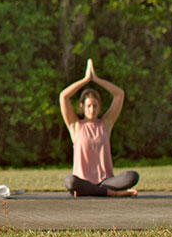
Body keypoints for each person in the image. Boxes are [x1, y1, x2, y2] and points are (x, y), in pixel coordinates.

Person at [59, 59, 139, 197]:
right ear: (81, 107)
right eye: (88, 106)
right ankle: (113, 194)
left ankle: (100, 191)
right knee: (70, 181)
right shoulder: (75, 126)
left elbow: (119, 94)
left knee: (132, 176)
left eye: (95, 106)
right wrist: (85, 79)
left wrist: (96, 79)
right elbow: (63, 96)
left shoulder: (105, 125)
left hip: (106, 181)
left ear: (100, 107)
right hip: (82, 182)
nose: (92, 109)